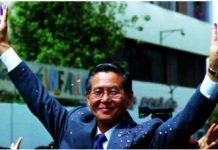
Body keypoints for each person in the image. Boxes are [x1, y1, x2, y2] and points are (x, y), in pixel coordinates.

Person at [1, 6, 218, 149]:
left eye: (114, 92)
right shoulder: (70, 125)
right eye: (98, 92)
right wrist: (4, 48)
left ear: (129, 97)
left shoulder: (145, 137)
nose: (105, 99)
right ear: (87, 98)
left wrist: (213, 72)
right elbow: (36, 97)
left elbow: (186, 122)